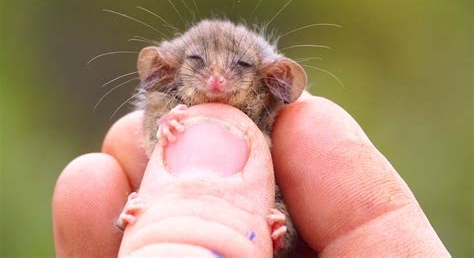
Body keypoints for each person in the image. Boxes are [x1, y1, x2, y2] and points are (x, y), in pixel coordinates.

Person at [52, 94, 450, 257]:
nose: (217, 81)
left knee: (279, 212)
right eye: (198, 63)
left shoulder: (274, 129)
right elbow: (150, 136)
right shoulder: (164, 112)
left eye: (239, 67)